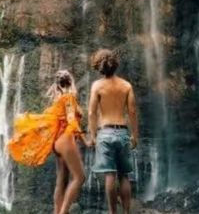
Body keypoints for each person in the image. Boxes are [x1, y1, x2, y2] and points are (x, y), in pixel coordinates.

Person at [8, 69, 89, 214]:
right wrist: (86, 140)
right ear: (71, 82)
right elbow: (72, 121)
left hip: (56, 142)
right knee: (80, 177)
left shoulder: (57, 100)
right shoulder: (69, 97)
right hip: (66, 139)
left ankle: (57, 211)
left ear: (57, 85)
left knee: (62, 180)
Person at [88, 49, 139, 214]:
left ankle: (112, 212)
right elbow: (132, 112)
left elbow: (91, 113)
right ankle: (126, 212)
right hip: (123, 132)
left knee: (110, 175)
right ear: (115, 65)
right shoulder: (126, 85)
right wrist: (135, 135)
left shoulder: (97, 86)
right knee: (124, 175)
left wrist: (93, 135)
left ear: (99, 65)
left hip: (105, 132)